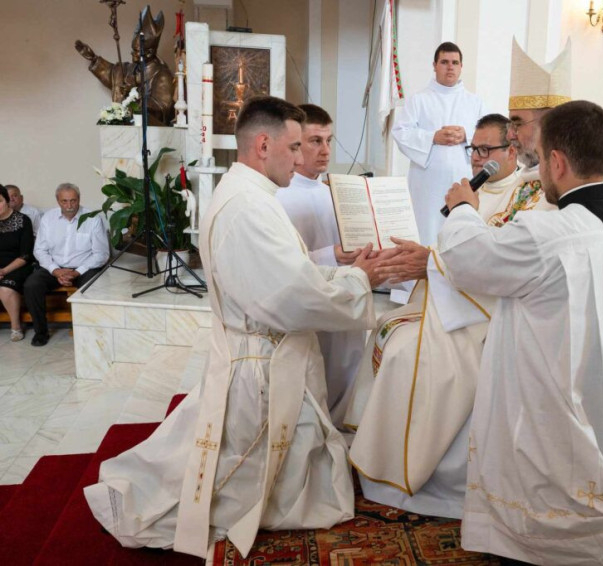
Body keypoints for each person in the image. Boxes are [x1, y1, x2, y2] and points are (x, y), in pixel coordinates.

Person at [84, 96, 383, 559]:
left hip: (262, 352)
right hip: (261, 366)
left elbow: (291, 272)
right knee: (233, 475)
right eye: (295, 147)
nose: (301, 159)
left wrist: (344, 274)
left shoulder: (252, 195)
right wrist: (360, 281)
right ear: (263, 145)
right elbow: (290, 297)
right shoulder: (247, 207)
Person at [440, 100, 603, 565]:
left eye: (541, 159)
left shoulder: (547, 233)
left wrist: (463, 208)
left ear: (557, 162)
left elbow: (467, 259)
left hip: (565, 405)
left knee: (577, 515)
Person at [344, 113, 554, 520]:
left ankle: (411, 467)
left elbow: (497, 265)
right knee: (387, 327)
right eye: (473, 149)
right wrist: (424, 258)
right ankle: (381, 449)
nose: (477, 158)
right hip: (460, 303)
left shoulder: (528, 195)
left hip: (488, 315)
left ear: (512, 151)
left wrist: (430, 263)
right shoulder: (474, 192)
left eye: (486, 150)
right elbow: (461, 251)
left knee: (406, 352)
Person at [274, 103, 366, 427]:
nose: (326, 150)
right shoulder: (280, 196)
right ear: (296, 143)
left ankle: (341, 424)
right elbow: (281, 264)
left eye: (329, 140)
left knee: (348, 367)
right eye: (315, 141)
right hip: (309, 304)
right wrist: (331, 256)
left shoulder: (335, 192)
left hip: (344, 295)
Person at [391, 41, 485, 246]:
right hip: (428, 183)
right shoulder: (418, 100)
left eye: (455, 62)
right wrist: (432, 137)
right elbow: (400, 132)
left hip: (463, 177)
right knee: (427, 230)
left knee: (460, 231)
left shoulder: (475, 102)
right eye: (444, 62)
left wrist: (467, 135)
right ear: (434, 65)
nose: (450, 67)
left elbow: (487, 137)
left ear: (461, 66)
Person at [24, 183, 108, 346]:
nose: (69, 205)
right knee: (31, 285)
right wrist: (55, 270)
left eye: (73, 200)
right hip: (54, 267)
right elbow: (40, 250)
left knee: (91, 287)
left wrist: (76, 272)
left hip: (84, 268)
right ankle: (41, 332)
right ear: (58, 201)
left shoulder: (92, 218)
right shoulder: (48, 218)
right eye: (64, 201)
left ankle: (89, 331)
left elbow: (101, 254)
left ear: (79, 199)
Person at [506, 39, 571, 177]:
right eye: (510, 125)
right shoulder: (521, 178)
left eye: (517, 124)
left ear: (548, 126)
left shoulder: (568, 181)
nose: (510, 135)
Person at [0, 185, 35, 342]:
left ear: (7, 201)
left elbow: (26, 255)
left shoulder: (23, 220)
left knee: (5, 289)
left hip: (18, 265)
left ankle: (16, 327)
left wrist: (4, 271)